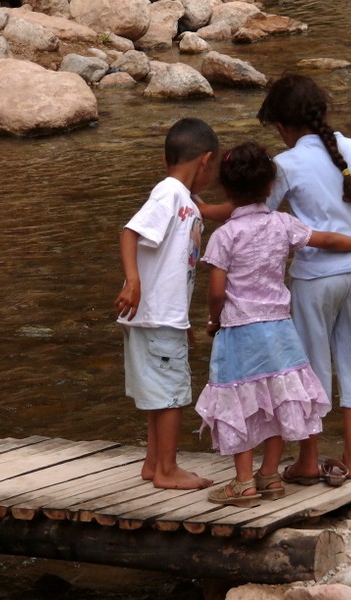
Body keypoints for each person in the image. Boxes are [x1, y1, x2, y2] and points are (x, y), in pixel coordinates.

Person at [196, 141, 351, 506]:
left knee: (241, 399)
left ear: (225, 189)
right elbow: (327, 239)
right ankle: (269, 476)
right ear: (270, 188)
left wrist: (214, 319)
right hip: (281, 331)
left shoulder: (224, 236)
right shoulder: (283, 224)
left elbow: (217, 290)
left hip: (240, 331)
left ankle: (242, 483)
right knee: (276, 400)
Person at [256, 73, 351, 483]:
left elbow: (258, 221)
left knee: (310, 366)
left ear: (284, 126)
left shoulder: (284, 164)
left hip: (315, 280)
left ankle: (308, 459)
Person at [114, 117, 219, 490]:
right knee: (173, 395)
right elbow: (130, 231)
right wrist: (133, 280)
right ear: (205, 161)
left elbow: (172, 267)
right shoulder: (170, 194)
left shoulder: (184, 199)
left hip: (162, 317)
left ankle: (153, 463)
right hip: (156, 316)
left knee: (160, 394)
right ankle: (168, 470)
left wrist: (182, 320)